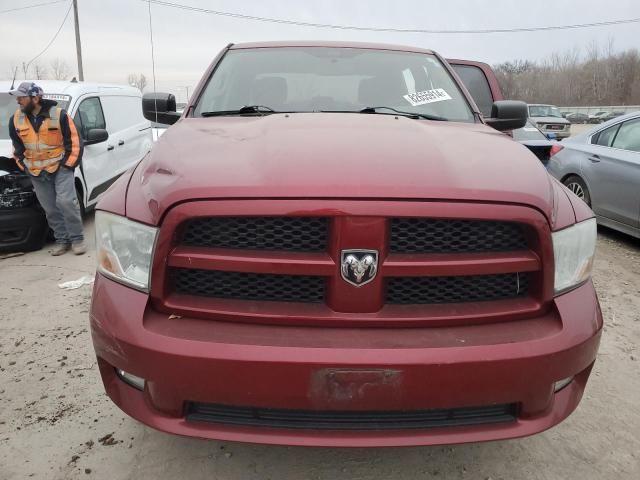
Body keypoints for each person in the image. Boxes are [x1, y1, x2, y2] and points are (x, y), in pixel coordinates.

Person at [8, 82, 86, 255]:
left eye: (22, 97)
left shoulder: (60, 115)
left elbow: (75, 143)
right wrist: (25, 166)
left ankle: (77, 239)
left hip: (60, 168)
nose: (18, 101)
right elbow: (17, 147)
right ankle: (62, 240)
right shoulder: (16, 119)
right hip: (36, 172)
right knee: (50, 208)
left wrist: (67, 166)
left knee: (66, 203)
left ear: (35, 98)